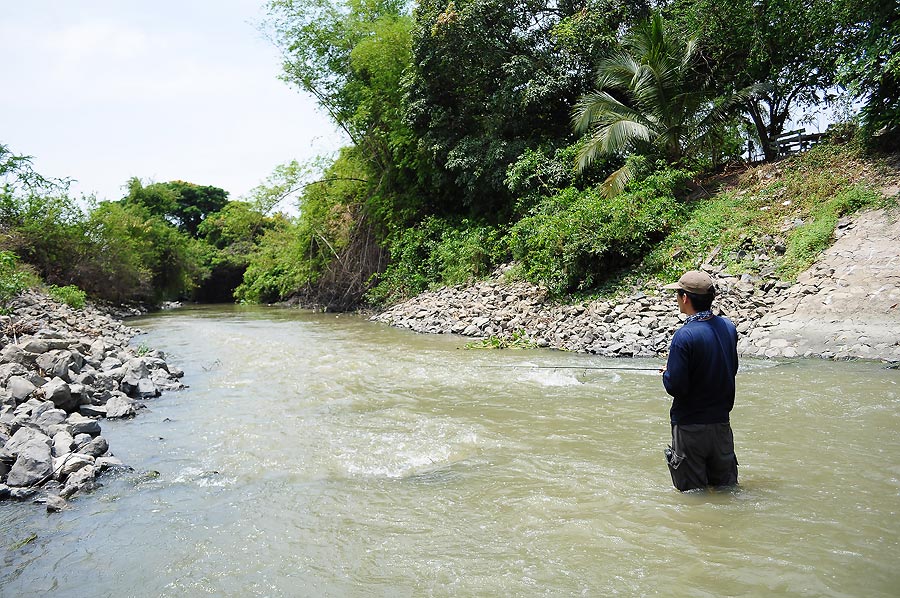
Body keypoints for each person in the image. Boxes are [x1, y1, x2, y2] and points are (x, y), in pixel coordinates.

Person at [660, 270, 739, 491]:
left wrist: (668, 373)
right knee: (726, 490)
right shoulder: (728, 327)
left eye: (677, 294)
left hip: (689, 427)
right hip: (721, 424)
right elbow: (730, 368)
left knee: (693, 495)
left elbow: (676, 386)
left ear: (685, 298)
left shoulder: (684, 336)